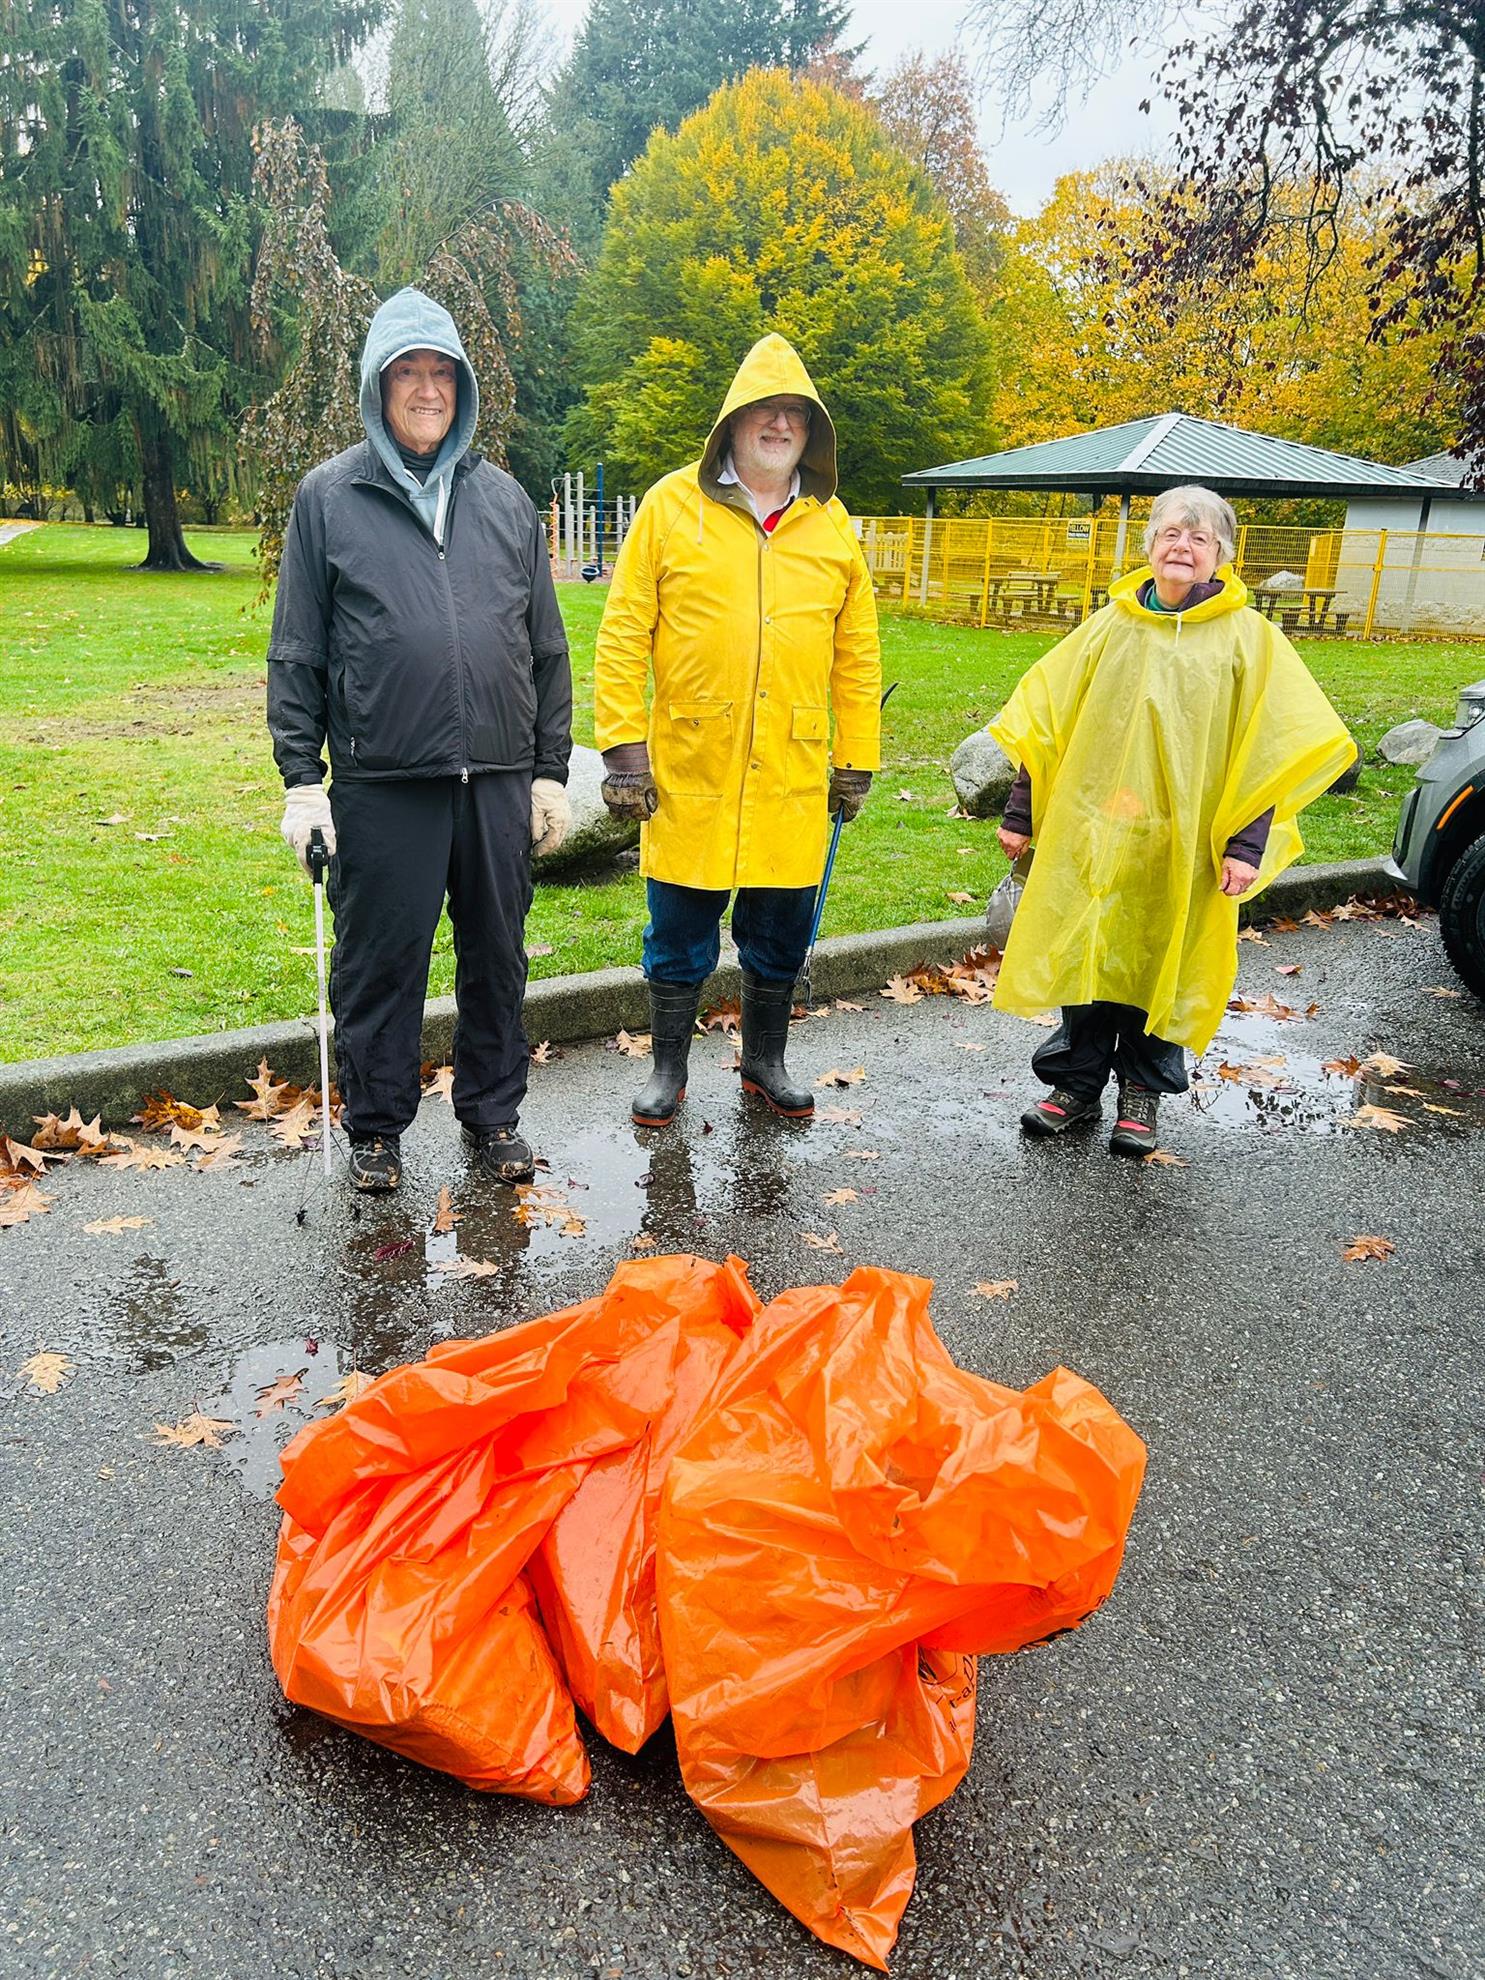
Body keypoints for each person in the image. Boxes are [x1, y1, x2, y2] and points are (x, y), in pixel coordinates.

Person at [267, 287, 572, 1192]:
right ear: (378, 386)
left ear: (463, 387)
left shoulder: (505, 500)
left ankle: (493, 1116)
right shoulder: (329, 497)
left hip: (497, 779)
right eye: (409, 373)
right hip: (382, 782)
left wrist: (549, 772)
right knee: (379, 966)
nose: (428, 389)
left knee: (497, 959)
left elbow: (545, 646)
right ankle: (376, 1130)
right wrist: (302, 782)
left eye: (443, 372)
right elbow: (298, 649)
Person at [988, 484, 1354, 1157]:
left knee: (1164, 963)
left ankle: (1142, 1092)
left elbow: (1266, 752)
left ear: (1221, 555)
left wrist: (1245, 846)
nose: (1182, 547)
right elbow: (1050, 725)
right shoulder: (1110, 626)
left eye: (1199, 537)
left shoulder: (1248, 641)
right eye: (1170, 533)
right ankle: (1075, 1084)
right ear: (1150, 544)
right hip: (1100, 834)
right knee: (1089, 954)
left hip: (1186, 843)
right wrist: (1020, 813)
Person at [593, 334, 882, 1127]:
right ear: (732, 421)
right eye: (765, 411)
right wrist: (624, 752)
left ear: (811, 433)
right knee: (678, 931)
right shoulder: (669, 506)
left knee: (779, 931)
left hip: (792, 771)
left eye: (795, 414)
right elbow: (622, 634)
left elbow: (857, 655)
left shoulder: (831, 525)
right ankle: (667, 1069)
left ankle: (764, 1060)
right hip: (691, 766)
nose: (779, 425)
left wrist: (856, 757)